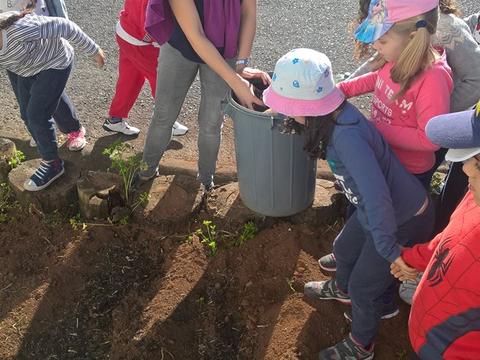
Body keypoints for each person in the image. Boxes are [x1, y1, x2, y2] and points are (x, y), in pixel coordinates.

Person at [262, 48, 434, 360]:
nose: (287, 115)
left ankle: (361, 345)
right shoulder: (328, 120)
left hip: (400, 218)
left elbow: (376, 197)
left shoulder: (347, 138)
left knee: (364, 288)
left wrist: (390, 251)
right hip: (377, 211)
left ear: (310, 107)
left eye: (289, 107)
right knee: (342, 250)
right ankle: (341, 289)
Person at [139, 0, 270, 191]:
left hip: (226, 50)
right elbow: (196, 36)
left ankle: (206, 182)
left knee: (212, 123)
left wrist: (241, 64)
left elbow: (248, 10)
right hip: (179, 48)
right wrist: (237, 82)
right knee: (163, 117)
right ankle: (146, 172)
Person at [391, 101, 480, 359]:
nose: (465, 169)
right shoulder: (474, 197)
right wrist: (411, 258)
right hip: (425, 337)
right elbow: (450, 238)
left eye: (478, 162)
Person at [0, 10, 105, 191]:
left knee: (37, 115)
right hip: (24, 68)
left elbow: (65, 26)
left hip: (54, 63)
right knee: (29, 112)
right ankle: (74, 129)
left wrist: (93, 50)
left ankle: (52, 163)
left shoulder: (19, 31)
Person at [1, 0, 88, 151]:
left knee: (50, 93)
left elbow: (64, 25)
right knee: (26, 100)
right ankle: (43, 136)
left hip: (34, 33)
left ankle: (73, 129)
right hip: (9, 46)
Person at [104, 0, 188, 136]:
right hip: (140, 40)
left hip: (126, 30)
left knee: (130, 79)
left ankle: (115, 119)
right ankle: (165, 121)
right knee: (161, 79)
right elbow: (151, 23)